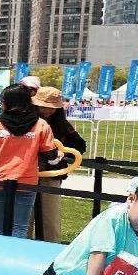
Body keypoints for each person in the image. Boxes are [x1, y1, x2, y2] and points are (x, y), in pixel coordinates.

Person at [0, 85, 60, 239]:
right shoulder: (41, 125)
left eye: (2, 101)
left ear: (7, 103)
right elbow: (50, 155)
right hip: (26, 181)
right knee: (20, 228)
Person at [32, 86, 89, 243]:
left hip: (51, 174)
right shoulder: (28, 121)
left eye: (52, 108)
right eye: (44, 107)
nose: (47, 111)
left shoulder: (62, 124)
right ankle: (21, 245)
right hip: (27, 173)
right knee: (25, 216)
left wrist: (63, 154)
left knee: (50, 216)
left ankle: (51, 247)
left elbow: (80, 144)